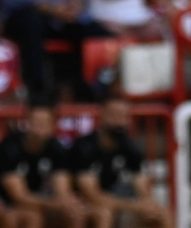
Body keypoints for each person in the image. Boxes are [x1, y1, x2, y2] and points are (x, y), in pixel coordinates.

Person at [71, 96, 170, 227]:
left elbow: (142, 187)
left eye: (123, 116)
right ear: (102, 116)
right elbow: (92, 195)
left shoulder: (131, 149)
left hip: (121, 202)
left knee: (162, 213)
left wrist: (148, 204)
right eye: (114, 115)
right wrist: (135, 206)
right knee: (104, 213)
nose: (119, 122)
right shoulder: (84, 146)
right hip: (86, 203)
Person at [0, 101, 86, 228]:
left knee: (75, 213)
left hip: (44, 203)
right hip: (8, 205)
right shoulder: (9, 147)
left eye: (45, 122)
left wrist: (67, 203)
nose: (40, 127)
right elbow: (19, 197)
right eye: (36, 122)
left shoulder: (57, 149)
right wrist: (55, 204)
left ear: (53, 125)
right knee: (31, 216)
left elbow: (62, 188)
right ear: (27, 122)